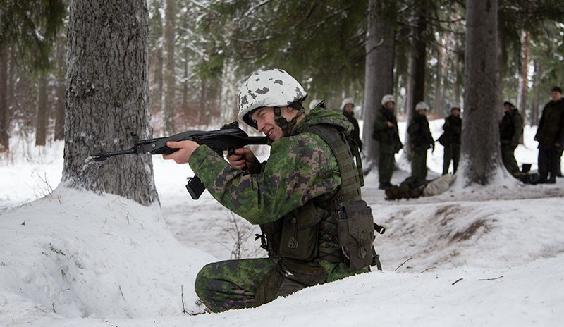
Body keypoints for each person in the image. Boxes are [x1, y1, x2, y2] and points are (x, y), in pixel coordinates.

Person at [162, 68, 376, 312]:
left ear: (285, 103)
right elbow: (295, 191)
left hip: (320, 278)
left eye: (262, 114)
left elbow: (259, 204)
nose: (260, 125)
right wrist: (254, 170)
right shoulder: (318, 135)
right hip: (335, 267)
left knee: (211, 281)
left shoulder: (303, 146)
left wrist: (199, 157)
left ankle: (270, 317)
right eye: (255, 120)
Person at [372, 94, 403, 190]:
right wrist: (386, 124)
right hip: (384, 142)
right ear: (385, 104)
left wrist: (398, 142)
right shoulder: (380, 114)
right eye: (388, 104)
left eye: (392, 104)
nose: (391, 106)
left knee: (390, 163)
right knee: (384, 163)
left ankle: (387, 181)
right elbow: (377, 125)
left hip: (391, 142)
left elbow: (395, 130)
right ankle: (383, 182)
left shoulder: (392, 116)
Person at [535, 86, 564, 183]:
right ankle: (542, 176)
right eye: (553, 94)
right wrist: (538, 134)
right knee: (542, 158)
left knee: (554, 159)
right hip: (544, 137)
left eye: (556, 94)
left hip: (556, 138)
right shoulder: (548, 106)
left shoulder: (562, 106)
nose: (554, 96)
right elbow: (542, 121)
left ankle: (553, 177)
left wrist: (560, 140)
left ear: (560, 94)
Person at [407, 101, 434, 185]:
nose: (424, 112)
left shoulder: (424, 120)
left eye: (425, 110)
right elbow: (410, 130)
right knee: (416, 164)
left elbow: (427, 132)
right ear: (418, 111)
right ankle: (415, 179)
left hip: (424, 145)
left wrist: (431, 141)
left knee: (423, 163)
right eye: (423, 110)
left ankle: (422, 179)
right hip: (417, 145)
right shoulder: (415, 119)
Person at [499, 101, 523, 176]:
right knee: (505, 158)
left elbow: (518, 130)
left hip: (510, 141)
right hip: (504, 140)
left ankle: (516, 172)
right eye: (505, 107)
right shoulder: (506, 116)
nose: (505, 108)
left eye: (507, 107)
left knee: (509, 157)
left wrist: (514, 141)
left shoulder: (515, 116)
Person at [438, 106, 462, 175]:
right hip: (449, 144)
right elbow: (444, 128)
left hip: (457, 144)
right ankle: (444, 175)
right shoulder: (448, 120)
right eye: (454, 111)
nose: (456, 112)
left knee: (456, 162)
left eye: (457, 111)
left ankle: (455, 176)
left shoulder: (460, 121)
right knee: (446, 162)